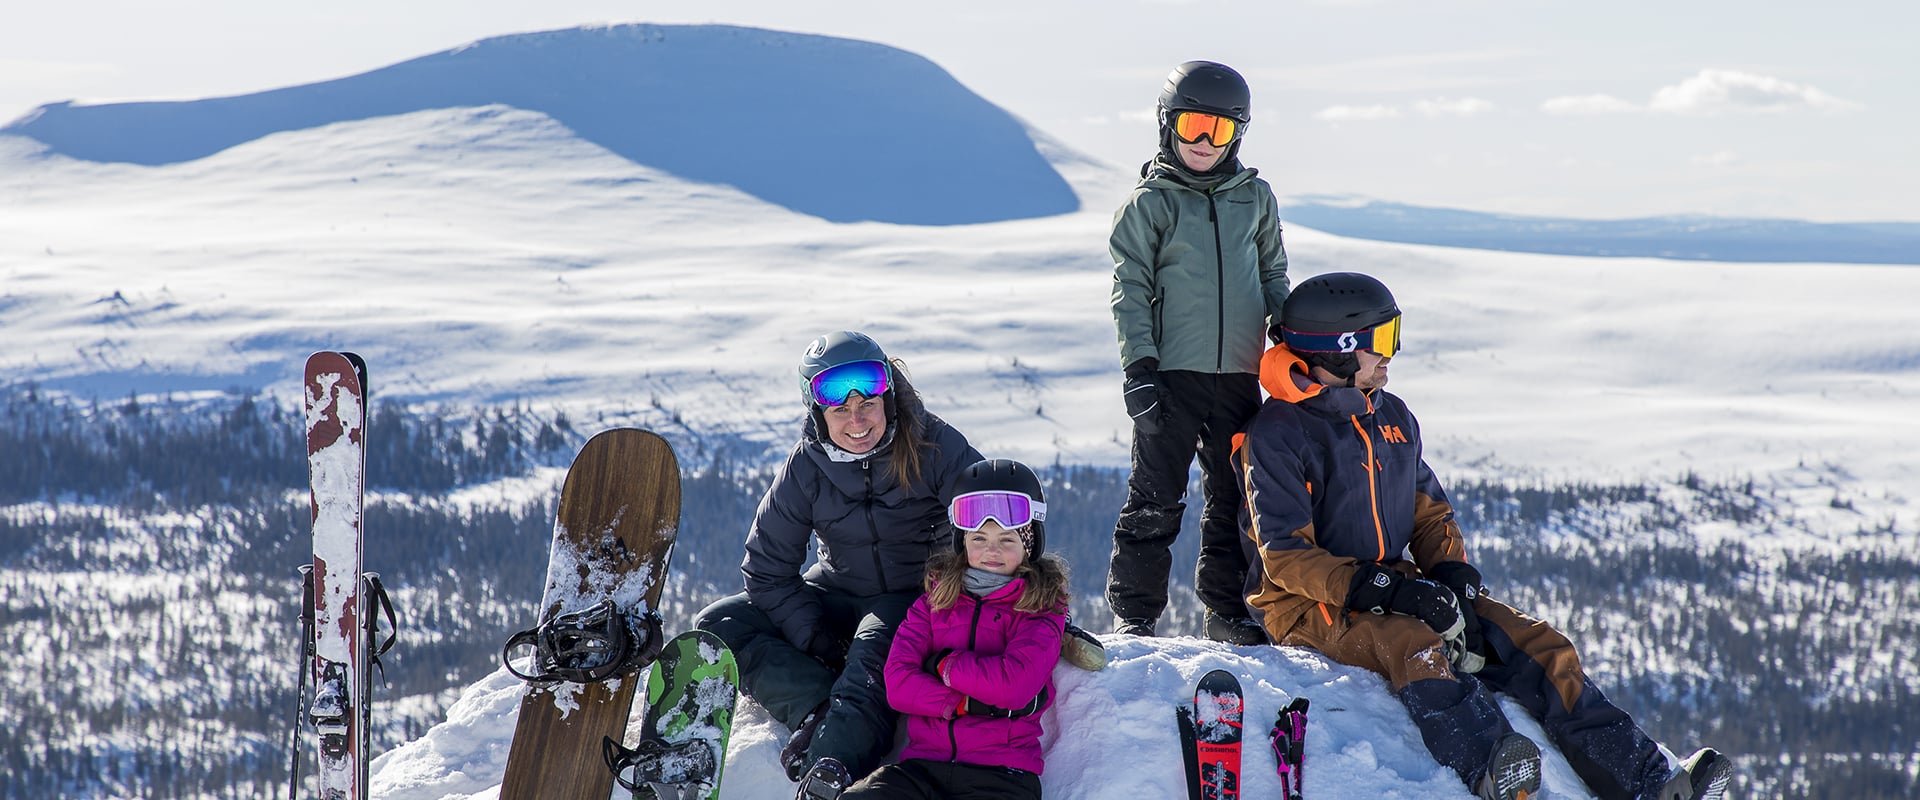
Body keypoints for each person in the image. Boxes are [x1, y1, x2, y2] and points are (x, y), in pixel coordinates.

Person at [1234, 272, 1734, 800]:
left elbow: (1429, 513)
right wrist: (1388, 591)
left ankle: (1647, 780)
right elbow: (1286, 557)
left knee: (1537, 641)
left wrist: (1453, 576)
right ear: (1337, 350)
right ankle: (1492, 768)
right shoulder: (1280, 434)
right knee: (1414, 644)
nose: (1391, 356)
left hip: (1389, 584)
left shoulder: (1391, 416)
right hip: (1305, 605)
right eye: (1381, 341)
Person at [695, 330, 984, 792]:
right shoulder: (806, 467)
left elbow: (987, 516)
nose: (856, 420)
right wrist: (816, 639)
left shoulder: (933, 445)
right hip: (834, 593)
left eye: (867, 403)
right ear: (818, 413)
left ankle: (830, 764)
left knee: (872, 654)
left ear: (887, 398)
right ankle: (819, 704)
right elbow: (766, 568)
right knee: (719, 623)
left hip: (909, 599)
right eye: (839, 409)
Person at [1108, 59, 1290, 643]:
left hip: (1238, 373)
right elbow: (1130, 287)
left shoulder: (1254, 198)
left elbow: (1272, 272)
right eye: (1192, 126)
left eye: (1219, 128)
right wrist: (1139, 366)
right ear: (1167, 125)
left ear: (1239, 132)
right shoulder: (1151, 203)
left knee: (1234, 495)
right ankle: (1135, 616)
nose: (1205, 142)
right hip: (1170, 375)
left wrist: (1289, 332)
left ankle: (1226, 611)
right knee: (1156, 496)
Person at [836, 458, 1070, 800]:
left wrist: (944, 665)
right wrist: (960, 704)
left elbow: (1014, 685)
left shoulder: (1041, 607)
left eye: (1007, 540)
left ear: (1029, 543)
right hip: (922, 769)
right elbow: (898, 681)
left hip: (1001, 774)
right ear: (962, 541)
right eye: (979, 538)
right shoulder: (935, 602)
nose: (991, 551)